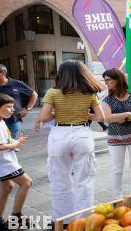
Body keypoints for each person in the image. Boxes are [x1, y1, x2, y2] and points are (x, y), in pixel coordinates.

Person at [33, 60, 105, 221]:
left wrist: (58, 112)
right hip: (82, 135)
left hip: (59, 135)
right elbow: (101, 117)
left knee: (59, 179)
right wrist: (83, 113)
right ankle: (85, 218)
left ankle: (64, 220)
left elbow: (44, 117)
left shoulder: (53, 93)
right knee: (85, 180)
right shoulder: (90, 93)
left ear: (62, 74)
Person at [0, 93, 32, 231]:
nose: (12, 110)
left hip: (0, 163)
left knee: (7, 188)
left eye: (12, 106)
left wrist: (16, 142)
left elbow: (3, 143)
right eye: (8, 107)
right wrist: (14, 145)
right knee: (26, 183)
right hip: (3, 164)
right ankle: (16, 218)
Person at [101, 68, 131, 199]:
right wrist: (127, 115)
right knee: (117, 168)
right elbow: (107, 117)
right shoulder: (107, 99)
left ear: (117, 79)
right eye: (105, 80)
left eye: (108, 80)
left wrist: (120, 117)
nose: (106, 83)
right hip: (116, 138)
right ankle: (117, 196)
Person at [0, 63, 38, 145]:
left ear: (3, 73)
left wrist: (28, 108)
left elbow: (34, 94)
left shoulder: (17, 83)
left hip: (13, 121)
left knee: (11, 144)